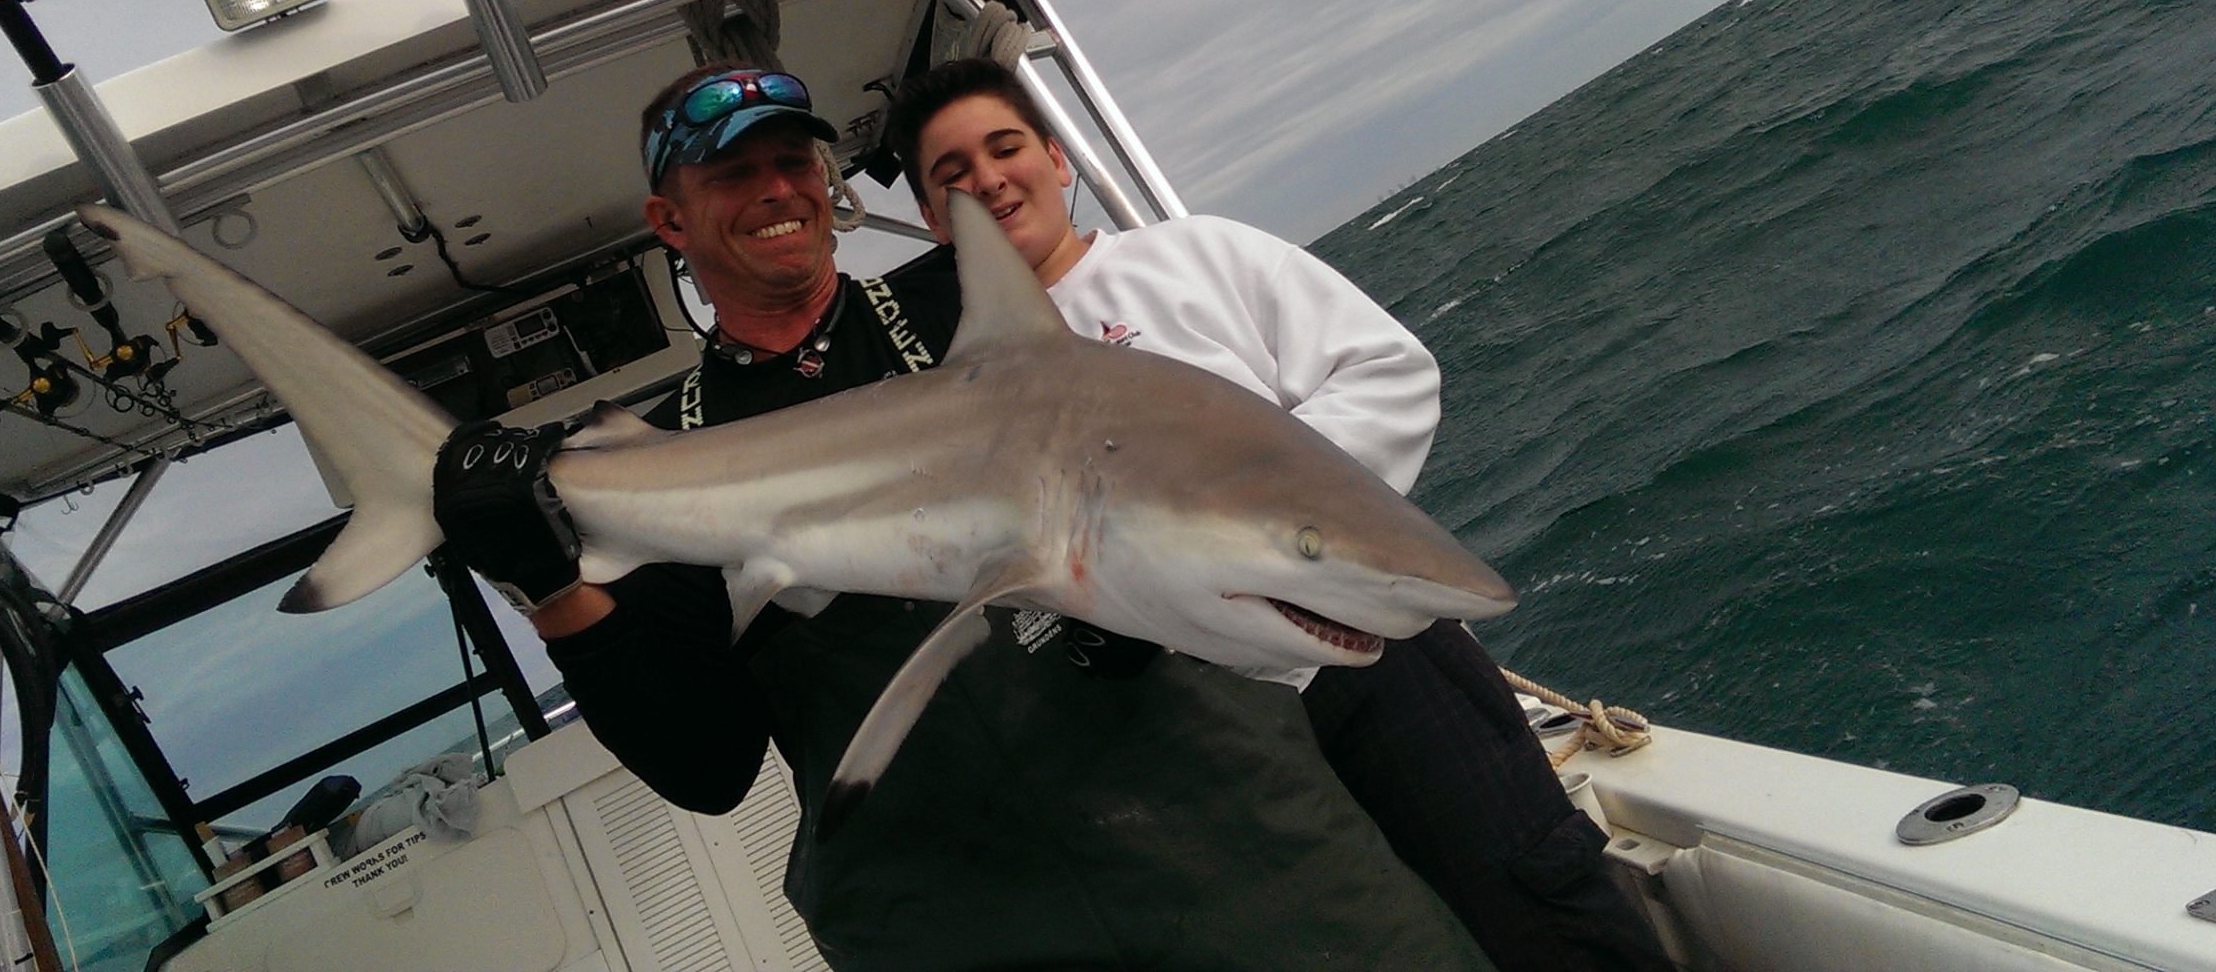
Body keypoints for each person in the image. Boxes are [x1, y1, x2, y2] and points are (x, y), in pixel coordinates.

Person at [431, 62, 1494, 972]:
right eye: (732, 173)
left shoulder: (973, 306)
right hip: (946, 915)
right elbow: (705, 766)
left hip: (1239, 843)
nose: (777, 189)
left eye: (795, 162)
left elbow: (1199, 429)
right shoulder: (668, 465)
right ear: (669, 217)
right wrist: (548, 585)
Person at [884, 56, 1671, 972]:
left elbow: (1390, 371)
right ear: (937, 222)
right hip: (1203, 732)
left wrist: (1267, 518)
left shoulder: (1195, 255)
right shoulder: (959, 397)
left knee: (1540, 896)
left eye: (1004, 147)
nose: (986, 178)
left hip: (1374, 656)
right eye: (952, 176)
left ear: (1058, 159)